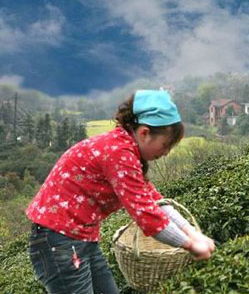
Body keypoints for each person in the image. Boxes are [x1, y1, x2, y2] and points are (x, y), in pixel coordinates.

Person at [26, 90, 216, 294]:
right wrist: (189, 244)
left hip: (81, 238)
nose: (165, 153)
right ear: (144, 133)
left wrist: (193, 233)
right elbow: (147, 215)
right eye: (165, 145)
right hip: (59, 241)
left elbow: (156, 203)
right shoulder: (119, 153)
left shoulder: (126, 150)